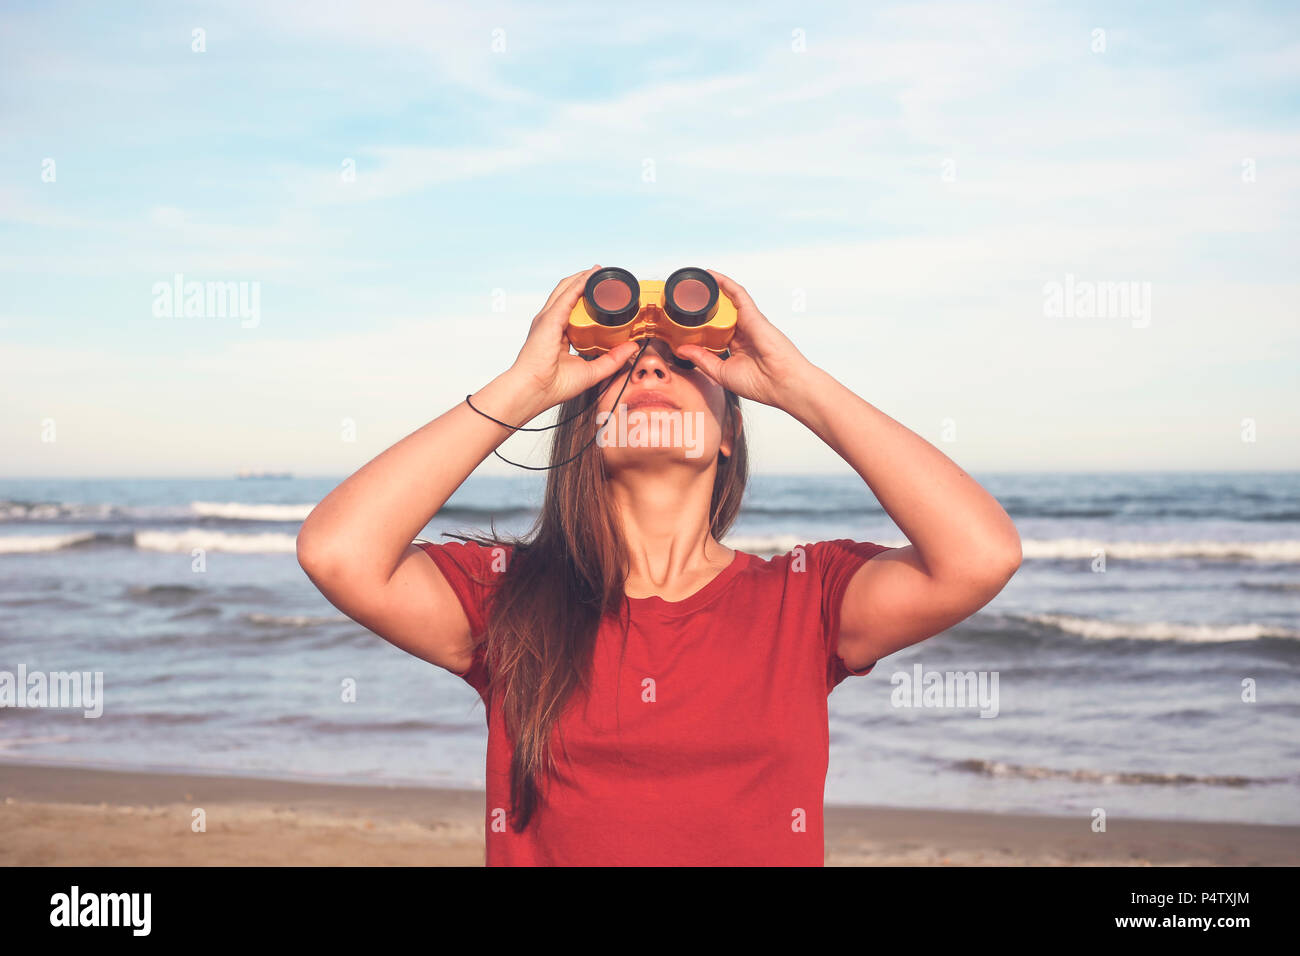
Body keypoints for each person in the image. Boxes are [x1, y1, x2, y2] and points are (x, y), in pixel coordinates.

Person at [296, 264, 1022, 865]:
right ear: (582, 424)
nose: (649, 363)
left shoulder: (803, 602)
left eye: (682, 360)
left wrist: (799, 386)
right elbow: (338, 551)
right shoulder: (507, 597)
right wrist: (523, 388)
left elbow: (980, 554)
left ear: (729, 433)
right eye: (621, 364)